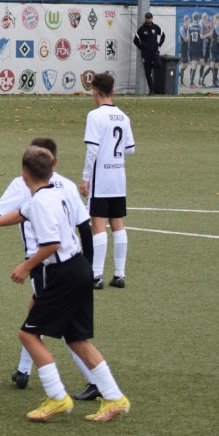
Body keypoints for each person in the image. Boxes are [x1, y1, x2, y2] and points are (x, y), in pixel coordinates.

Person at [0, 146, 131, 423]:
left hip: (63, 274)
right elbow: (21, 213)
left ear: (24, 175)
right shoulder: (53, 193)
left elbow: (51, 243)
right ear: (52, 170)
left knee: (28, 334)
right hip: (80, 269)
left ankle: (56, 396)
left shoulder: (41, 201)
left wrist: (26, 266)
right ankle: (114, 397)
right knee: (76, 339)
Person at [0, 137, 97, 400]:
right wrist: (89, 268)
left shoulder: (23, 183)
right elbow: (85, 228)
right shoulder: (67, 185)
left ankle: (90, 383)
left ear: (26, 170)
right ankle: (23, 371)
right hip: (73, 262)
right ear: (54, 162)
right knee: (36, 314)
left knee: (59, 326)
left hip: (45, 264)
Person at [81, 73, 135, 289]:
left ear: (95, 92)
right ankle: (120, 275)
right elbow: (130, 149)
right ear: (112, 92)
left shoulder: (95, 116)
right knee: (117, 223)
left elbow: (92, 149)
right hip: (118, 178)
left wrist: (85, 178)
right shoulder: (123, 117)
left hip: (101, 178)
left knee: (98, 225)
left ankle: (96, 276)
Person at [133, 11, 164, 94]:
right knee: (148, 73)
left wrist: (159, 44)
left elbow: (163, 35)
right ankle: (151, 90)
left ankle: (152, 66)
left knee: (159, 64)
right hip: (146, 54)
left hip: (154, 52)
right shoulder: (141, 29)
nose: (148, 19)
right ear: (145, 19)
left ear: (152, 19)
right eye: (147, 18)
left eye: (149, 18)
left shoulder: (155, 27)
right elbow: (135, 40)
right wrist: (142, 48)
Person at [187, 12, 205, 89]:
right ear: (198, 18)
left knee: (194, 65)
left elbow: (188, 38)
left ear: (192, 18)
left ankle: (192, 82)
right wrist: (208, 35)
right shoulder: (200, 25)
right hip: (198, 48)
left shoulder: (189, 26)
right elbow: (201, 36)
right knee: (202, 63)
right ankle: (198, 80)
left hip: (192, 47)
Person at [178, 14, 191, 87]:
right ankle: (181, 82)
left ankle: (177, 77)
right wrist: (189, 33)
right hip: (182, 49)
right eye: (188, 21)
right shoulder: (182, 29)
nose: (189, 22)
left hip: (186, 49)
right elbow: (185, 39)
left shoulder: (188, 28)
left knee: (185, 66)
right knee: (183, 65)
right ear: (185, 21)